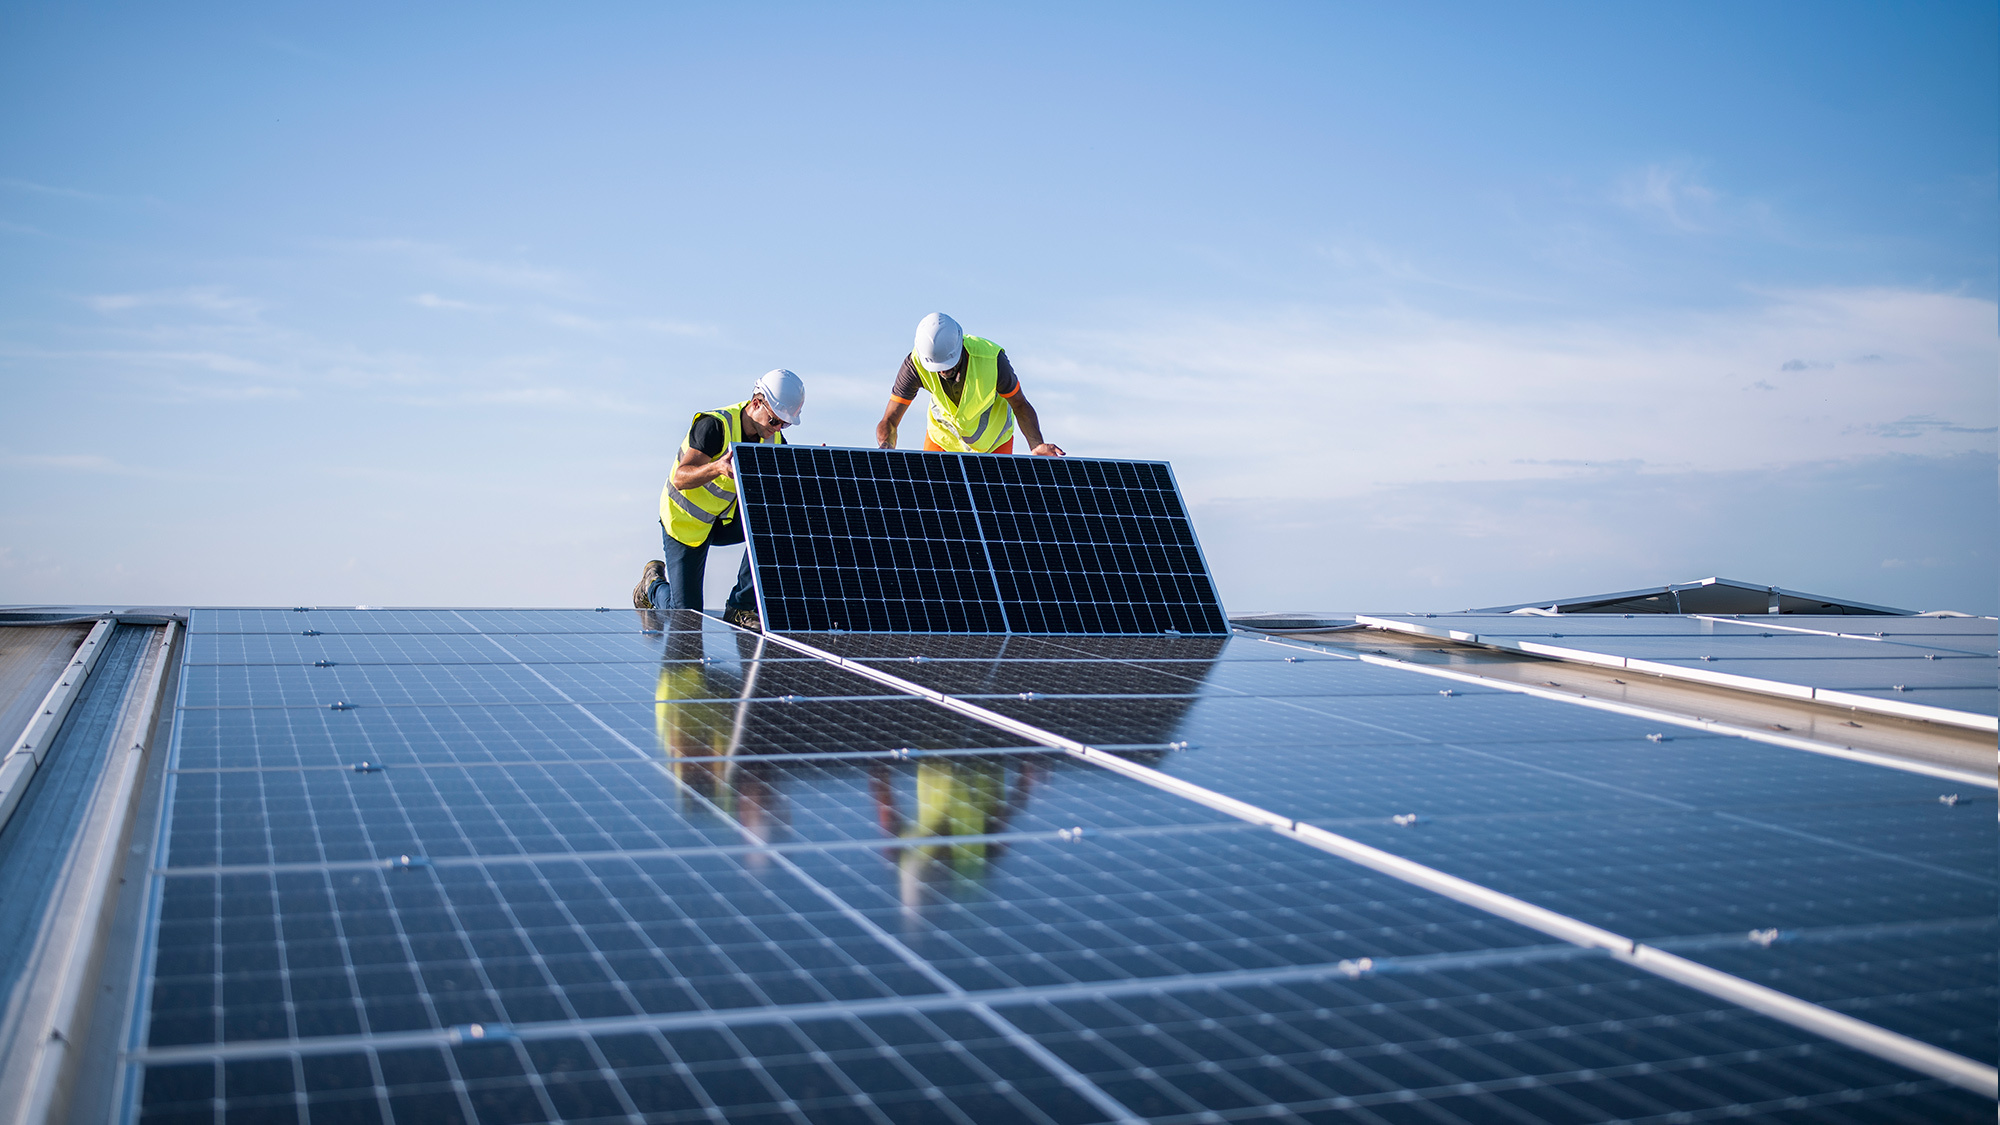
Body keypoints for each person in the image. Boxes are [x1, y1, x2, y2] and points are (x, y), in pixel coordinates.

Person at [633, 369, 805, 632]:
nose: (779, 428)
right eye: (774, 421)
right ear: (756, 403)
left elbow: (780, 490)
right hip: (685, 524)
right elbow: (681, 477)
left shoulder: (774, 439)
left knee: (779, 518)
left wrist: (814, 471)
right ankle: (653, 585)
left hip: (722, 520)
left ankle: (741, 605)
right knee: (686, 619)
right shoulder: (715, 426)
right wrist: (716, 468)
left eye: (785, 424)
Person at [874, 313, 1065, 456]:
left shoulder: (992, 360)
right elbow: (890, 420)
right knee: (933, 502)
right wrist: (886, 447)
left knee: (992, 505)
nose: (942, 372)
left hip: (994, 444)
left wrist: (1036, 444)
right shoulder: (915, 365)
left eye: (948, 366)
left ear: (959, 348)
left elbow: (1020, 405)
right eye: (937, 368)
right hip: (942, 441)